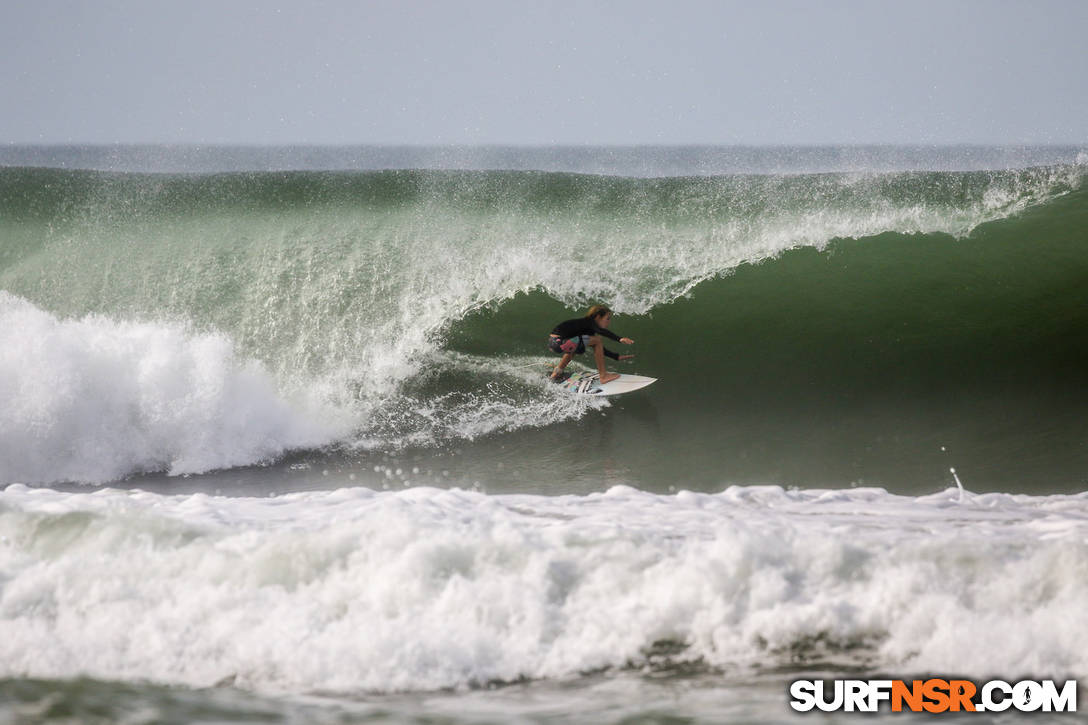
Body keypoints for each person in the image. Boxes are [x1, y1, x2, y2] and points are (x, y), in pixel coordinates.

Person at [548, 305, 634, 384]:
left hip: (554, 343)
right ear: (598, 317)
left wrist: (615, 356)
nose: (609, 321)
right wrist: (619, 339)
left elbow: (599, 348)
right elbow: (601, 332)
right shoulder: (590, 322)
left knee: (575, 347)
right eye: (607, 318)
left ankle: (556, 373)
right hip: (560, 341)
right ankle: (603, 376)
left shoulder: (586, 326)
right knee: (597, 340)